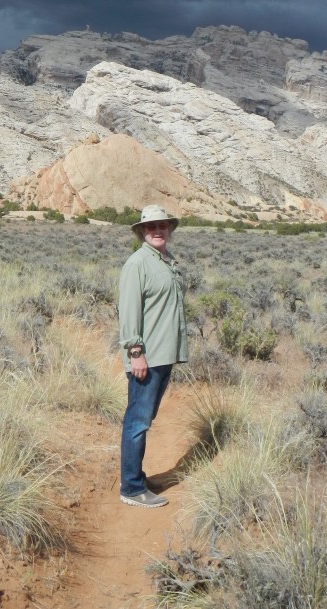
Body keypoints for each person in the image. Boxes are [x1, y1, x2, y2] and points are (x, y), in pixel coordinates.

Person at [118, 204, 188, 508]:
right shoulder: (138, 264)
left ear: (169, 230)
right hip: (146, 357)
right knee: (137, 421)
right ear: (142, 232)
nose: (157, 230)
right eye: (151, 227)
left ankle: (136, 476)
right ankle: (131, 488)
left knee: (144, 419)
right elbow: (129, 312)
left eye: (162, 226)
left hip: (163, 354)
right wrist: (136, 353)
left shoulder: (165, 261)